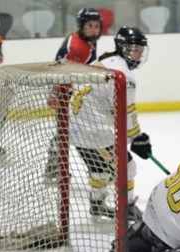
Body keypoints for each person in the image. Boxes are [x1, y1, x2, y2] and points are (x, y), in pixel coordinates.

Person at [66, 26, 152, 221]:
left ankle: (96, 204)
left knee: (99, 168)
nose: (138, 55)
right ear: (122, 48)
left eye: (140, 50)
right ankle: (127, 207)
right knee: (128, 167)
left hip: (76, 128)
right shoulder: (125, 76)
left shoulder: (105, 61)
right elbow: (126, 111)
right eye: (133, 49)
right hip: (94, 133)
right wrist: (137, 138)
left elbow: (108, 104)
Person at [45, 8, 103, 181]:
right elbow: (61, 71)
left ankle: (53, 167)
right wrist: (55, 94)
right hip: (66, 93)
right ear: (81, 26)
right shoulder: (78, 47)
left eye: (97, 26)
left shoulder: (85, 40)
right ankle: (55, 168)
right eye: (90, 26)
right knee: (68, 132)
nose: (94, 29)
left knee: (66, 131)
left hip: (72, 92)